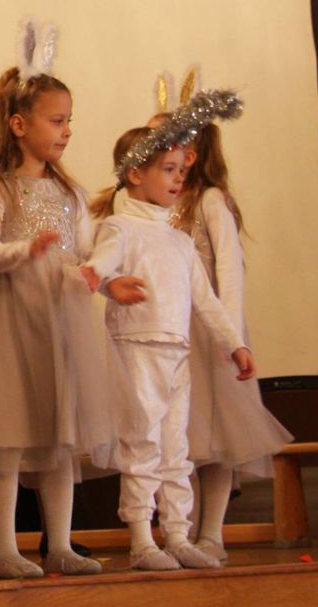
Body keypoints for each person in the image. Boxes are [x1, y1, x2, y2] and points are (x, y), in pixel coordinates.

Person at [0, 35, 113, 580]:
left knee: (59, 434)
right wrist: (26, 250)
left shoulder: (71, 193)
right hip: (11, 323)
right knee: (6, 431)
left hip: (58, 325)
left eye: (69, 121)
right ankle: (4, 548)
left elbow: (86, 255)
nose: (66, 131)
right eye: (56, 121)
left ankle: (61, 545)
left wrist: (107, 278)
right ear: (20, 124)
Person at [83, 111, 257, 572]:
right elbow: (100, 265)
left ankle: (178, 534)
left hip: (177, 352)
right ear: (136, 174)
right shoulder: (120, 227)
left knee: (175, 446)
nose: (179, 178)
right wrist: (103, 282)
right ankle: (142, 539)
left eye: (182, 170)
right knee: (142, 442)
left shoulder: (179, 241)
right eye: (169, 169)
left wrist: (234, 343)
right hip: (136, 347)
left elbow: (206, 301)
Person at [174, 122, 292, 563]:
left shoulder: (209, 200)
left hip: (208, 334)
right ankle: (182, 531)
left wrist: (231, 334)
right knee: (182, 437)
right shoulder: (161, 202)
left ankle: (211, 533)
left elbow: (228, 270)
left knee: (217, 436)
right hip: (173, 332)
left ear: (193, 151)